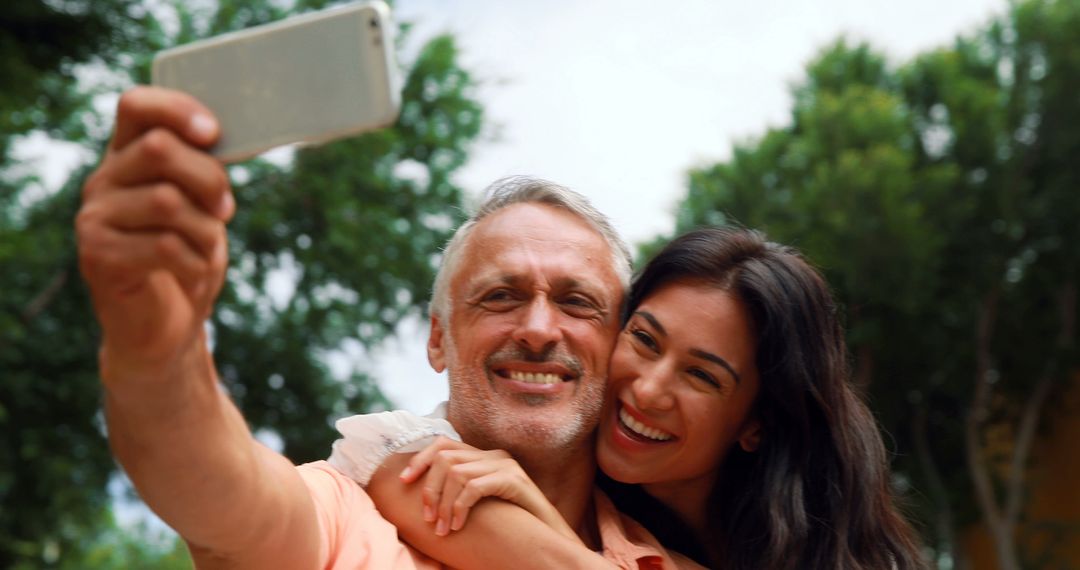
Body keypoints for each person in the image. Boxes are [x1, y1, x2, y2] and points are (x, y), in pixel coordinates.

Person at [76, 86, 695, 569]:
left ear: (616, 344)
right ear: (437, 339)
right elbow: (217, 492)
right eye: (500, 296)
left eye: (577, 302)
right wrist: (156, 344)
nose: (537, 328)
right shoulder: (343, 511)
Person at [361, 227, 927, 569]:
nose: (648, 389)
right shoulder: (576, 482)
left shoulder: (820, 549)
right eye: (645, 339)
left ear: (755, 423)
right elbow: (406, 481)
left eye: (702, 376)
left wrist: (543, 523)